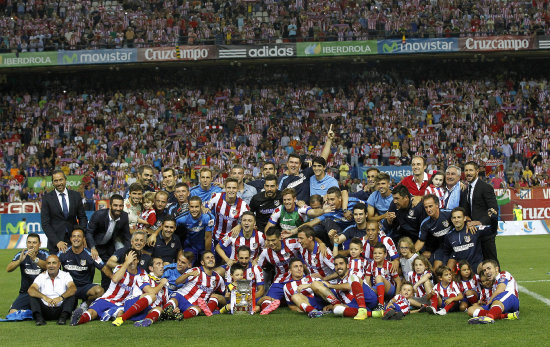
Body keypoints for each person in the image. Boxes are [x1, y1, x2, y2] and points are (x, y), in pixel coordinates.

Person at [71, 249, 145, 325]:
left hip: (122, 304)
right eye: (129, 259)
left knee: (121, 315)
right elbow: (115, 279)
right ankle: (77, 320)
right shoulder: (119, 268)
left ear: (138, 260)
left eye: (134, 259)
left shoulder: (142, 274)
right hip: (107, 299)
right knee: (92, 313)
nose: (131, 262)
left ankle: (108, 313)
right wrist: (126, 263)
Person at [311, 255, 382, 319]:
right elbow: (317, 286)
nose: (338, 266)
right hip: (354, 304)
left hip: (367, 297)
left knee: (353, 277)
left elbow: (349, 286)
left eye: (341, 263)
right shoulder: (338, 285)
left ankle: (363, 308)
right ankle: (372, 313)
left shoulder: (354, 271)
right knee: (336, 309)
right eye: (336, 265)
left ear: (348, 265)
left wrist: (330, 285)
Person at [58, 227, 112, 309]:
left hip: (85, 288)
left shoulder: (91, 254)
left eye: (79, 236)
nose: (76, 239)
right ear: (70, 239)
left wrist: (114, 278)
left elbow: (104, 268)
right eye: (74, 236)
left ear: (83, 239)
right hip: (69, 288)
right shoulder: (63, 252)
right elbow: (51, 262)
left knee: (99, 291)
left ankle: (84, 305)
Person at [279, 125, 335, 203]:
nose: (293, 165)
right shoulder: (283, 179)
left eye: (296, 163)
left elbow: (322, 159)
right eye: (291, 162)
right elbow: (279, 198)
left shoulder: (306, 173)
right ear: (287, 164)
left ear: (299, 165)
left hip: (307, 211)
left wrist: (329, 140)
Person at [162, 251, 226, 319]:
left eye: (212, 258)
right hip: (181, 296)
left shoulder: (218, 279)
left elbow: (223, 294)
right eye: (207, 258)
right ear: (202, 262)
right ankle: (165, 312)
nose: (210, 259)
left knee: (197, 309)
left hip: (194, 304)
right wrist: (188, 274)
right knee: (174, 300)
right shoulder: (195, 270)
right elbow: (177, 281)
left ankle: (180, 317)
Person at [86, 194, 130, 290]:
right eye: (115, 205)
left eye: (121, 206)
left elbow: (127, 238)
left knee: (107, 274)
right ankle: (86, 300)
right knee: (89, 272)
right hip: (92, 247)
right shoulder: (99, 215)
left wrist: (128, 253)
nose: (118, 208)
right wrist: (92, 248)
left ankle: (105, 297)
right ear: (110, 206)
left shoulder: (124, 217)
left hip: (107, 249)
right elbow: (89, 232)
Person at [256, 227, 302, 315]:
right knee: (267, 300)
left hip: (297, 279)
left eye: (273, 240)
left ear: (280, 237)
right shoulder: (265, 253)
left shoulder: (292, 243)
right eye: (268, 240)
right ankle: (267, 308)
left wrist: (321, 243)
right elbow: (258, 268)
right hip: (280, 281)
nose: (270, 243)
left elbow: (308, 241)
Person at [112, 257, 170, 327]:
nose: (162, 266)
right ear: (151, 268)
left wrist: (172, 310)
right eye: (158, 264)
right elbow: (151, 292)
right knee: (152, 296)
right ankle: (121, 318)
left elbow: (165, 304)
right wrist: (161, 284)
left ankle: (146, 321)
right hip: (131, 304)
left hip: (144, 310)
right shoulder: (143, 276)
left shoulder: (164, 285)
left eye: (162, 264)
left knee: (159, 309)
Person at [461, 161, 499, 265]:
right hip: (473, 233)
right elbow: (465, 210)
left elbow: (493, 209)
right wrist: (468, 220)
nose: (468, 173)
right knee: (477, 263)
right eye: (466, 170)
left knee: (491, 262)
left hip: (486, 232)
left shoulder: (486, 187)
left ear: (477, 171)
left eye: (471, 170)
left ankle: (498, 280)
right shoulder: (466, 189)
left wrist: (479, 222)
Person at [41, 170, 88, 253]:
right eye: (56, 181)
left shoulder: (76, 196)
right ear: (52, 183)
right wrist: (57, 241)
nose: (59, 183)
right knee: (55, 266)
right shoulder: (47, 199)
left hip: (75, 241)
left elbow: (82, 217)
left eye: (61, 180)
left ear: (65, 180)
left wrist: (82, 236)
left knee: (75, 266)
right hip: (55, 244)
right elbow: (45, 224)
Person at [207, 178, 250, 262]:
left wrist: (240, 225)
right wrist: (205, 210)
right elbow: (206, 208)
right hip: (215, 236)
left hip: (231, 239)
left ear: (237, 189)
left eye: (234, 188)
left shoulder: (243, 205)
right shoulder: (216, 197)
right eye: (229, 188)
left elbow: (250, 219)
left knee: (229, 264)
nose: (231, 190)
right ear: (225, 188)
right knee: (213, 262)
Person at [28, 255, 76, 325]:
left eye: (54, 263)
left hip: (60, 309)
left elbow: (73, 288)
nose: (51, 266)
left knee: (71, 295)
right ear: (46, 265)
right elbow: (31, 290)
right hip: (45, 309)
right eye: (48, 263)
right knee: (33, 295)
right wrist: (44, 297)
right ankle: (39, 319)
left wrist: (61, 298)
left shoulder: (65, 275)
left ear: (59, 264)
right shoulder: (41, 276)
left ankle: (63, 318)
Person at [6, 233, 48, 314]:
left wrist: (35, 259)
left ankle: (32, 311)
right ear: (26, 244)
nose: (31, 245)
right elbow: (8, 269)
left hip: (43, 292)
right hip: (26, 292)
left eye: (34, 243)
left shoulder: (45, 254)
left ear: (39, 244)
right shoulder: (21, 254)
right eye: (29, 242)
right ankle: (30, 312)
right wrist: (19, 261)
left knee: (46, 314)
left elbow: (49, 267)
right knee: (12, 313)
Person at [467, 259, 519, 324]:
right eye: (484, 270)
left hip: (511, 300)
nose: (487, 272)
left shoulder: (503, 274)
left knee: (499, 297)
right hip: (497, 304)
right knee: (471, 310)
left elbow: (500, 290)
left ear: (496, 269)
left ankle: (489, 317)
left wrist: (488, 303)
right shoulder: (493, 282)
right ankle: (505, 316)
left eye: (489, 268)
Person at [442, 207, 493, 273]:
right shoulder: (449, 236)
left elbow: (492, 229)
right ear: (451, 219)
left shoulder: (473, 229)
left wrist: (493, 217)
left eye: (459, 217)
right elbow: (446, 253)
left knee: (486, 269)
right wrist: (444, 267)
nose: (456, 220)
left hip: (476, 268)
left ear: (465, 218)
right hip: (462, 272)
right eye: (454, 218)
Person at [414, 194, 453, 270]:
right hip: (442, 248)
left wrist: (469, 222)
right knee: (436, 270)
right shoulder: (425, 223)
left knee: (449, 270)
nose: (428, 210)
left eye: (430, 206)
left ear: (437, 205)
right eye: (426, 207)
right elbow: (421, 241)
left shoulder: (448, 214)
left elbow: (463, 216)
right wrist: (410, 254)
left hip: (456, 245)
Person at [176, 196, 214, 265]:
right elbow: (169, 223)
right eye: (192, 207)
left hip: (205, 246)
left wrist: (207, 254)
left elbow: (208, 237)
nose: (194, 209)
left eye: (196, 207)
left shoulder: (208, 217)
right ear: (188, 207)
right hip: (190, 246)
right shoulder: (183, 218)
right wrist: (155, 234)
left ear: (201, 207)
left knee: (209, 265)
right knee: (186, 265)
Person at [364, 243, 401, 310]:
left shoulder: (389, 265)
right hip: (378, 289)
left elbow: (398, 282)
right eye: (375, 253)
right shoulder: (371, 265)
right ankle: (374, 305)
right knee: (368, 291)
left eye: (380, 253)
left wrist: (396, 297)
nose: (377, 255)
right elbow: (367, 280)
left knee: (378, 277)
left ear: (385, 255)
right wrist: (370, 291)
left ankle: (381, 304)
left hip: (389, 290)